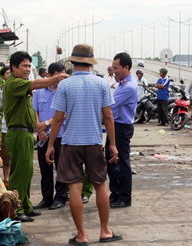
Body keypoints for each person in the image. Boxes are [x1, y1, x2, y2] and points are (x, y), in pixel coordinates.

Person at [45, 44, 122, 245]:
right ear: (90, 62)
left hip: (71, 143)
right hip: (95, 141)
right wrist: (112, 144)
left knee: (75, 188)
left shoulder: (65, 85)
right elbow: (108, 116)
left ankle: (81, 235)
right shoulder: (102, 83)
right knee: (100, 186)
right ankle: (105, 231)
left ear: (73, 61)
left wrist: (51, 144)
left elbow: (58, 118)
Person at [3, 51, 68, 222]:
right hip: (17, 133)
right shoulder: (14, 83)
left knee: (27, 172)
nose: (27, 69)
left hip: (25, 133)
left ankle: (26, 206)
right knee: (19, 174)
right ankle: (15, 210)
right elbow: (37, 84)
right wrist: (56, 78)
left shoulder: (21, 84)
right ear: (14, 67)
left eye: (29, 66)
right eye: (24, 66)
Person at [32, 62, 68, 210]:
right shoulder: (39, 92)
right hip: (43, 137)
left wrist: (45, 123)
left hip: (60, 135)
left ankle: (60, 197)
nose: (62, 78)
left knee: (61, 168)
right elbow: (35, 111)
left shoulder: (65, 91)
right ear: (50, 75)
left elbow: (63, 114)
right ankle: (46, 198)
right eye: (59, 76)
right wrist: (39, 128)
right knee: (45, 168)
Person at [107, 52, 138, 209]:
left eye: (116, 68)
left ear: (126, 67)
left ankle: (125, 196)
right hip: (115, 125)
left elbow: (110, 105)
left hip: (121, 127)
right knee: (111, 161)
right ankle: (116, 193)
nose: (114, 71)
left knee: (121, 162)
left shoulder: (129, 87)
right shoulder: (123, 83)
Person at [0, 66, 11, 183]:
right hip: (6, 126)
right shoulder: (0, 92)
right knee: (5, 154)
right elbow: (0, 107)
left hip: (19, 127)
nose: (9, 75)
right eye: (7, 73)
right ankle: (6, 178)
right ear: (2, 76)